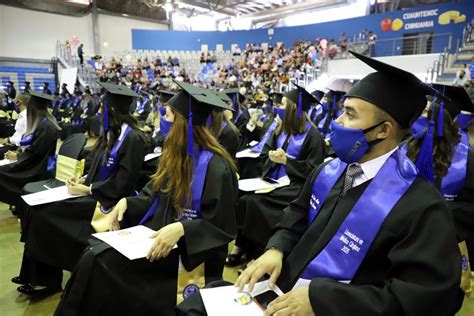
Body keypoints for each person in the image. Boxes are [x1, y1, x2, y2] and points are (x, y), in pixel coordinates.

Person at [177, 51, 464, 316]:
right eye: (341, 111)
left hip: (329, 309)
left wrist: (323, 300)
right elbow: (297, 215)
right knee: (195, 307)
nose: (337, 122)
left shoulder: (419, 205)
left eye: (349, 114)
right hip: (281, 291)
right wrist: (276, 248)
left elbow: (424, 299)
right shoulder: (330, 171)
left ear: (383, 131)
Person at [54, 81, 239, 315]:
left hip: (187, 256)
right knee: (93, 252)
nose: (163, 119)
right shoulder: (174, 156)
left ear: (184, 123)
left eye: (168, 115)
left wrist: (183, 229)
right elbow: (153, 196)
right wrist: (126, 202)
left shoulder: (217, 167)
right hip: (156, 240)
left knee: (99, 263)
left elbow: (223, 228)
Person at [13, 82, 146, 298]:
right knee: (35, 208)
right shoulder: (110, 133)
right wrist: (81, 178)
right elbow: (95, 163)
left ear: (112, 110)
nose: (99, 112)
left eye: (103, 108)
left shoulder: (133, 138)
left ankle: (47, 280)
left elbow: (124, 183)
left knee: (44, 214)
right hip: (93, 193)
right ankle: (38, 275)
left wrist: (87, 189)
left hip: (107, 203)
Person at [226, 83, 326, 265]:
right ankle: (242, 246)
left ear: (293, 108)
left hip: (295, 187)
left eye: (282, 105)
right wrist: (271, 157)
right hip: (272, 180)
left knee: (257, 204)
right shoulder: (281, 131)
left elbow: (314, 171)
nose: (278, 107)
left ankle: (259, 253)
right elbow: (265, 153)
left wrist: (287, 161)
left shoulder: (314, 137)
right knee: (244, 198)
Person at [406, 84, 474, 266]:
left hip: (445, 243)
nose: (418, 116)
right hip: (404, 236)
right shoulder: (406, 147)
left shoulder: (466, 157)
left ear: (441, 117)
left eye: (425, 111)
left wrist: (436, 213)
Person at [0, 92, 60, 208]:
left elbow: (36, 154)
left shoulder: (46, 126)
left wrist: (17, 157)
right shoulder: (41, 122)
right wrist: (18, 154)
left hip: (36, 168)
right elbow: (33, 148)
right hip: (33, 162)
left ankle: (21, 203)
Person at [0, 92, 29, 157]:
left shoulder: (26, 117)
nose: (13, 103)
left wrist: (9, 140)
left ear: (18, 102)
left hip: (18, 148)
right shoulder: (22, 115)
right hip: (13, 144)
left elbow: (25, 139)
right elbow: (18, 134)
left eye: (15, 101)